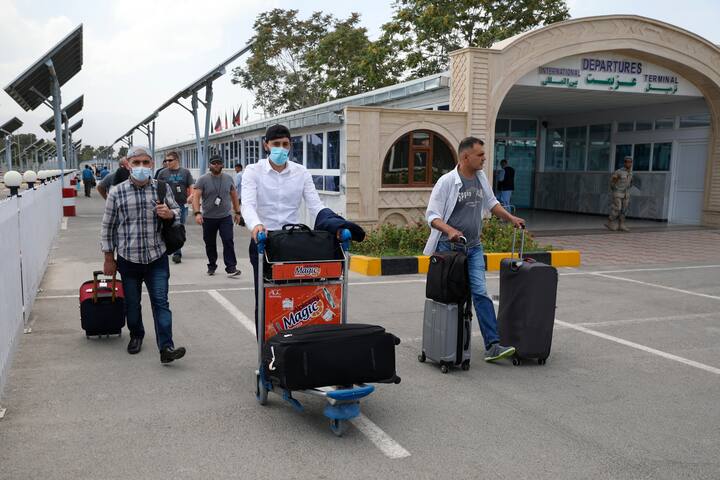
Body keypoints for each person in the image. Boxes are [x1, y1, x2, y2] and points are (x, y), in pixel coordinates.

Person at [424, 136, 525, 363]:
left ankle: (493, 345)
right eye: (480, 155)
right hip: (449, 249)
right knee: (451, 299)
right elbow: (431, 216)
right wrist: (449, 230)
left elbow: (492, 204)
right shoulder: (447, 181)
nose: (484, 159)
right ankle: (447, 344)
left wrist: (511, 218)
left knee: (480, 292)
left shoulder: (480, 178)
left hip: (474, 248)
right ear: (465, 156)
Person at [100, 145, 186, 364]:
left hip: (157, 257)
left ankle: (166, 346)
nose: (140, 167)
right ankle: (136, 334)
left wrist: (169, 213)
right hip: (129, 259)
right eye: (136, 163)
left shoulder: (162, 188)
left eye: (145, 162)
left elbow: (177, 213)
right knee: (132, 303)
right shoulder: (116, 193)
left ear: (152, 164)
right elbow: (108, 227)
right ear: (128, 164)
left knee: (161, 302)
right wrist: (109, 258)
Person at [241, 124, 326, 332]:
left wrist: (335, 224)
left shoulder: (301, 172)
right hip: (264, 241)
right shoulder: (253, 171)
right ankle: (265, 354)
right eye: (276, 144)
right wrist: (256, 224)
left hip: (291, 242)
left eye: (285, 144)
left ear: (290, 146)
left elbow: (315, 205)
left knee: (295, 298)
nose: (281, 148)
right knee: (265, 298)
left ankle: (292, 347)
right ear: (266, 145)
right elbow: (248, 205)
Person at [193, 155, 242, 277]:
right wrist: (197, 213)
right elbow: (196, 196)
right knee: (210, 243)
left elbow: (234, 196)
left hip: (225, 217)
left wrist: (237, 212)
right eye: (213, 163)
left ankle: (231, 267)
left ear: (222, 165)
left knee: (228, 240)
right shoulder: (203, 179)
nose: (216, 165)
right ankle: (212, 265)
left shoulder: (228, 178)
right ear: (210, 165)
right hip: (208, 218)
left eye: (218, 163)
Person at [157, 151, 194, 263]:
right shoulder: (162, 173)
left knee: (177, 226)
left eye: (170, 160)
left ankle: (177, 252)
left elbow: (191, 185)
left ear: (177, 160)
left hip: (181, 205)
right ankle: (165, 247)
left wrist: (191, 195)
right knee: (163, 227)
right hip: (166, 206)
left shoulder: (185, 172)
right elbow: (157, 186)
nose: (167, 162)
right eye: (166, 160)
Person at [606, 156, 634, 232]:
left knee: (624, 210)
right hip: (618, 193)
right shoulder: (618, 172)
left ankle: (621, 225)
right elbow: (612, 183)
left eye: (630, 162)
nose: (629, 163)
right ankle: (610, 221)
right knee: (618, 208)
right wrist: (615, 190)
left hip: (626, 194)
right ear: (624, 163)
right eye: (627, 162)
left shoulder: (631, 173)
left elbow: (631, 183)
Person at [233, 162, 245, 227]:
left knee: (237, 208)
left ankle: (239, 221)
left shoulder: (238, 175)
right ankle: (241, 221)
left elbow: (235, 185)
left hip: (238, 195)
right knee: (240, 208)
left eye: (236, 168)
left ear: (239, 168)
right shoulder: (243, 174)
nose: (235, 169)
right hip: (242, 194)